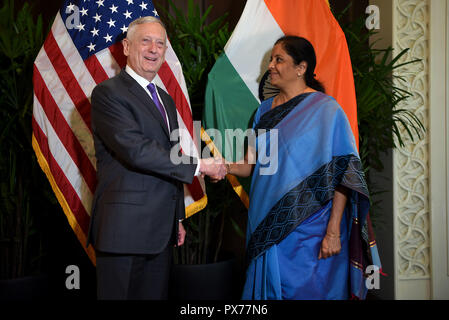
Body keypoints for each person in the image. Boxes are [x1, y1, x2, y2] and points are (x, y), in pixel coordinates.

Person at [226, 36, 379, 299]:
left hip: (312, 228)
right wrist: (219, 166)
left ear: (301, 68)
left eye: (279, 59)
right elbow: (250, 166)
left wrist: (333, 231)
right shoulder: (262, 113)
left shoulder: (326, 110)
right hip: (266, 225)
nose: (271, 66)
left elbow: (345, 173)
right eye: (271, 60)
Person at [86, 16, 226, 300]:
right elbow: (137, 150)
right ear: (126, 47)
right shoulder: (107, 93)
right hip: (123, 232)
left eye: (160, 43)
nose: (153, 49)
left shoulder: (164, 98)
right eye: (145, 41)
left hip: (161, 231)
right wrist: (201, 165)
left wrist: (175, 218)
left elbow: (168, 157)